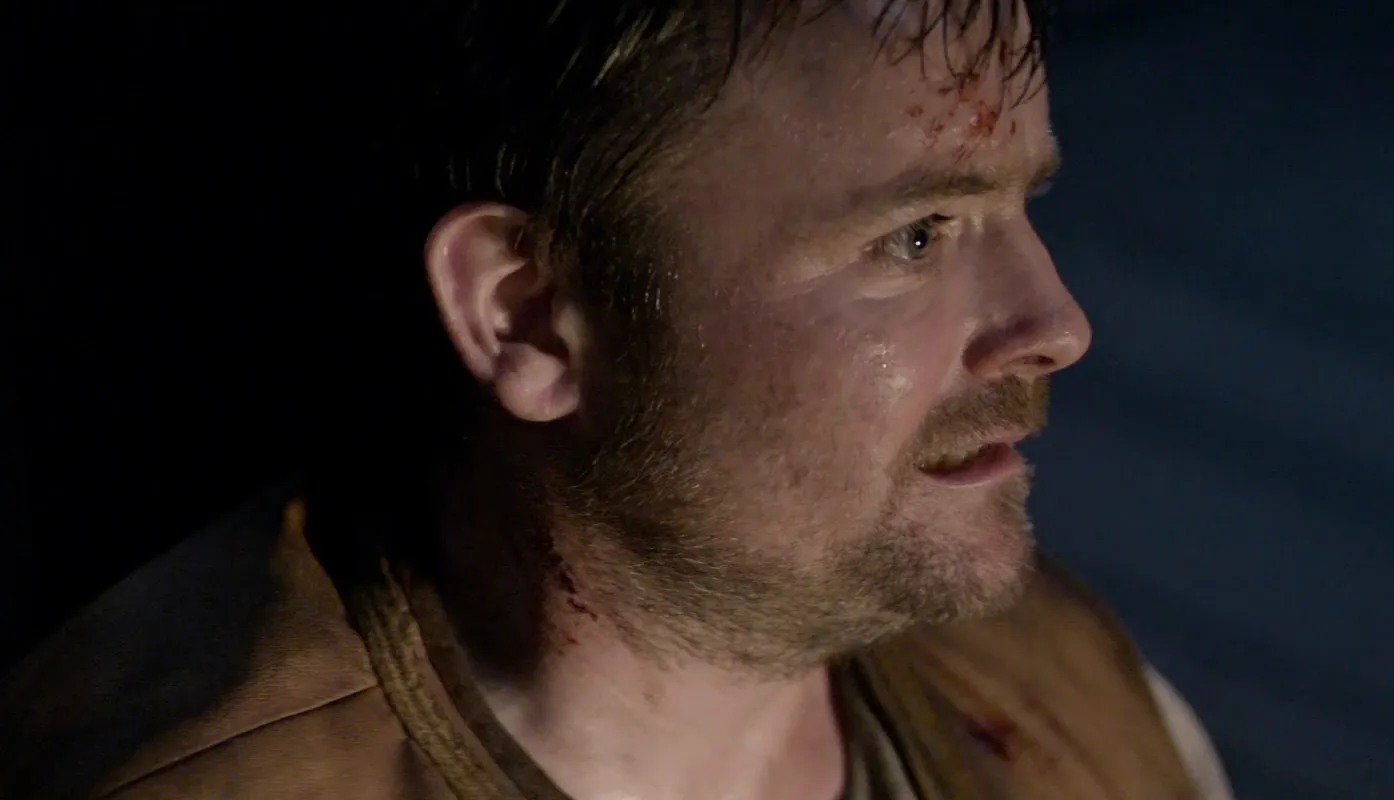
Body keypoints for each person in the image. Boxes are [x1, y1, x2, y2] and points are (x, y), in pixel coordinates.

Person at [0, 1, 1235, 798]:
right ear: (531, 313)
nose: (1056, 324)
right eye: (915, 237)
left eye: (1022, 204)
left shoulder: (1064, 687)